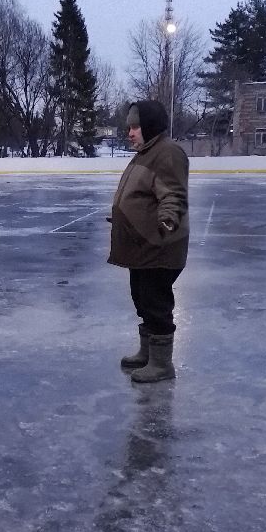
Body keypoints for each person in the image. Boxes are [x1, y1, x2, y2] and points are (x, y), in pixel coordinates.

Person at [108, 99, 189, 383]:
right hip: (141, 246)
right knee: (142, 299)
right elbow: (142, 196)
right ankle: (148, 353)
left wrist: (168, 219)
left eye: (135, 126)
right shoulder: (146, 152)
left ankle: (162, 364)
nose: (130, 132)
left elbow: (172, 194)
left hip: (159, 245)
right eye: (129, 127)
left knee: (156, 302)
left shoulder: (167, 153)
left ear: (150, 126)